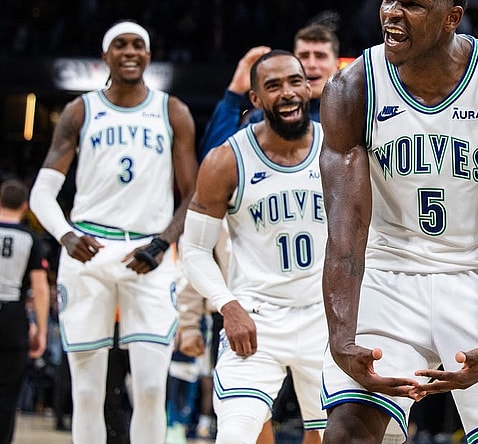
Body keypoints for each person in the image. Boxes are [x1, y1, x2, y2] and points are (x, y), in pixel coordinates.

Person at [318, 1, 478, 443]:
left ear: (452, 17)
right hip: (389, 270)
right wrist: (340, 335)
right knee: (346, 432)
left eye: (411, 4)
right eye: (389, 0)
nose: (392, 12)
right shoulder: (351, 87)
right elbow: (345, 228)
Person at [27, 20, 198, 444]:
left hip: (150, 254)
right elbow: (42, 194)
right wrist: (66, 236)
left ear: (148, 54)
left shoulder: (171, 109)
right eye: (119, 45)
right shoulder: (81, 110)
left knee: (152, 388)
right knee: (86, 391)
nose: (129, 52)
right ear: (105, 56)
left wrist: (162, 244)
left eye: (137, 44)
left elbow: (194, 196)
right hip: (88, 249)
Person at [180, 50, 327, 444]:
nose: (288, 92)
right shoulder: (226, 160)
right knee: (235, 434)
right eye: (273, 86)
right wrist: (227, 305)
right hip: (256, 318)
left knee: (338, 436)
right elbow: (193, 249)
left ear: (308, 86)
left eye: (295, 81)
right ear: (256, 100)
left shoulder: (338, 150)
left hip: (325, 317)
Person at [197, 23, 340, 160]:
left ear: (336, 65)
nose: (311, 64)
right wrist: (234, 93)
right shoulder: (262, 116)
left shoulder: (352, 115)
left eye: (320, 56)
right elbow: (214, 166)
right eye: (304, 56)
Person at [0, 179, 49, 444]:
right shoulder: (31, 239)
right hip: (12, 319)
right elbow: (40, 289)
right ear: (25, 207)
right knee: (8, 394)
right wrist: (41, 329)